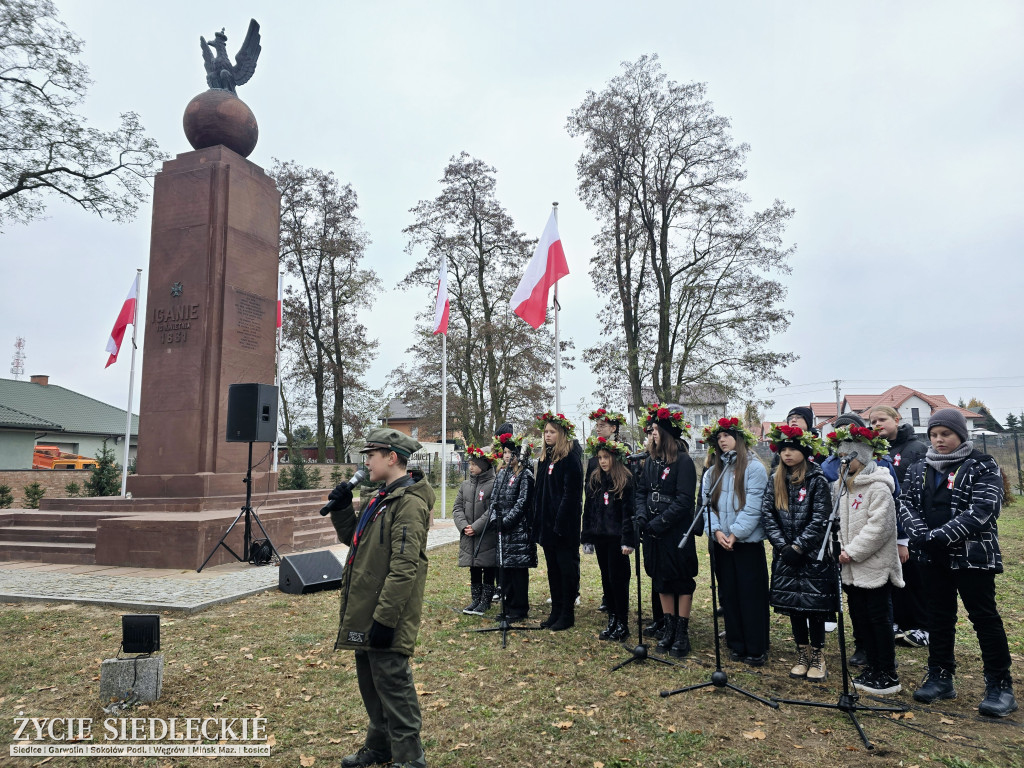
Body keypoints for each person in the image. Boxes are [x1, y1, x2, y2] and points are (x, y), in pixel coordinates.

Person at [898, 409, 1017, 717]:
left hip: (972, 557)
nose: (939, 440)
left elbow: (984, 509)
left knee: (984, 618)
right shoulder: (918, 467)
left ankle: (1000, 684)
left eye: (946, 435)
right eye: (934, 435)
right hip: (930, 557)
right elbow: (906, 504)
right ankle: (940, 675)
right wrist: (921, 535)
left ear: (961, 435)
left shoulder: (981, 464)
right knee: (938, 616)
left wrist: (940, 536)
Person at [327, 428, 433, 768]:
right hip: (365, 607)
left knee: (393, 682)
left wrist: (385, 620)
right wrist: (342, 508)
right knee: (371, 680)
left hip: (386, 612)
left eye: (371, 455)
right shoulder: (378, 497)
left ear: (392, 458)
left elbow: (405, 569)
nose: (366, 461)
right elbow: (353, 538)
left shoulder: (409, 503)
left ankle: (410, 757)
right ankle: (380, 746)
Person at [827, 425, 904, 696]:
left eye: (850, 457)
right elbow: (834, 523)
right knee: (860, 617)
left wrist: (853, 551)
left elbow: (879, 527)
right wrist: (836, 549)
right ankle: (872, 666)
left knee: (878, 618)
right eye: (841, 457)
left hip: (872, 565)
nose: (844, 462)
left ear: (864, 456)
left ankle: (887, 672)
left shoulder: (878, 487)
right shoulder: (840, 487)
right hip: (849, 567)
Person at [761, 424, 834, 682]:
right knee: (794, 606)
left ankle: (818, 655)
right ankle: (801, 653)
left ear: (804, 451)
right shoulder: (775, 479)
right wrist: (782, 546)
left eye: (793, 448)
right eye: (784, 449)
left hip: (812, 556)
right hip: (785, 555)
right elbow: (768, 515)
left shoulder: (817, 480)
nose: (787, 454)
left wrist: (800, 546)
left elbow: (820, 518)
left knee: (813, 606)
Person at [700, 417, 770, 666]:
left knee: (750, 596)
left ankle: (756, 646)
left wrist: (735, 534)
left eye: (727, 436)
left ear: (739, 439)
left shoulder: (754, 469)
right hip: (722, 544)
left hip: (746, 544)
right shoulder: (712, 473)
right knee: (729, 594)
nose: (722, 441)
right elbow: (707, 507)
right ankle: (737, 643)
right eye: (718, 438)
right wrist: (717, 532)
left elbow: (753, 507)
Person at [634, 403, 698, 658]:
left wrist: (661, 522)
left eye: (656, 430)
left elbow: (684, 500)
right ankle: (669, 627)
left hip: (676, 532)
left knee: (680, 580)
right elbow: (641, 491)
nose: (652, 434)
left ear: (668, 433)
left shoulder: (683, 461)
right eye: (651, 431)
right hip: (652, 531)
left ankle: (682, 632)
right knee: (661, 580)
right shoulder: (651, 461)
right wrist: (641, 516)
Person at [869, 404, 930, 648]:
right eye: (873, 422)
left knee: (913, 575)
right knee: (890, 575)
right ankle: (897, 621)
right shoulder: (873, 450)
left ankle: (921, 626)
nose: (877, 425)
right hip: (882, 522)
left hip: (911, 524)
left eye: (882, 419)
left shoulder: (916, 449)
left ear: (897, 419)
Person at [534, 411, 585, 630]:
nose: (547, 435)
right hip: (547, 527)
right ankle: (555, 610)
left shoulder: (570, 458)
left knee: (566, 570)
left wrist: (560, 523)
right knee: (553, 571)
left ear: (561, 433)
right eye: (545, 431)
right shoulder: (546, 458)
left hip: (563, 528)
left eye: (552, 432)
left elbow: (571, 494)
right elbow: (540, 491)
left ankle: (567, 613)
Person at [582, 435, 635, 641]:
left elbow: (629, 512)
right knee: (606, 578)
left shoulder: (625, 479)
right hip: (600, 537)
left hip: (617, 539)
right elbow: (589, 509)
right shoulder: (596, 478)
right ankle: (612, 618)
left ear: (615, 457)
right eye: (600, 457)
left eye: (606, 457)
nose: (603, 461)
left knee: (618, 579)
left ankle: (622, 621)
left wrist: (628, 539)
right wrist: (587, 536)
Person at [487, 432, 538, 622]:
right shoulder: (502, 473)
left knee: (517, 572)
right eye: (505, 452)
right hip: (503, 530)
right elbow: (494, 500)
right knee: (505, 571)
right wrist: (495, 518)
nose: (507, 456)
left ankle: (519, 608)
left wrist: (507, 521)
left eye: (511, 452)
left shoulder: (525, 475)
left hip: (518, 531)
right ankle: (507, 607)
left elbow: (523, 502)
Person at [586, 408, 629, 613]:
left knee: (617, 572)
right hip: (600, 526)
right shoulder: (595, 458)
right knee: (605, 568)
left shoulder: (623, 454)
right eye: (597, 425)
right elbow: (590, 495)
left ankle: (618, 608)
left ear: (613, 428)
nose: (598, 428)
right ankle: (608, 599)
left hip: (617, 528)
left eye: (602, 425)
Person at [453, 445, 500, 615]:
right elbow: (457, 507)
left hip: (486, 534)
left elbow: (493, 509)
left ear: (485, 464)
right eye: (470, 463)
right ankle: (475, 599)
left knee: (487, 565)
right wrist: (464, 526)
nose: (470, 467)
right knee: (473, 566)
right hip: (468, 534)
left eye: (474, 464)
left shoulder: (495, 484)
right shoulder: (465, 485)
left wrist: (476, 527)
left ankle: (486, 600)